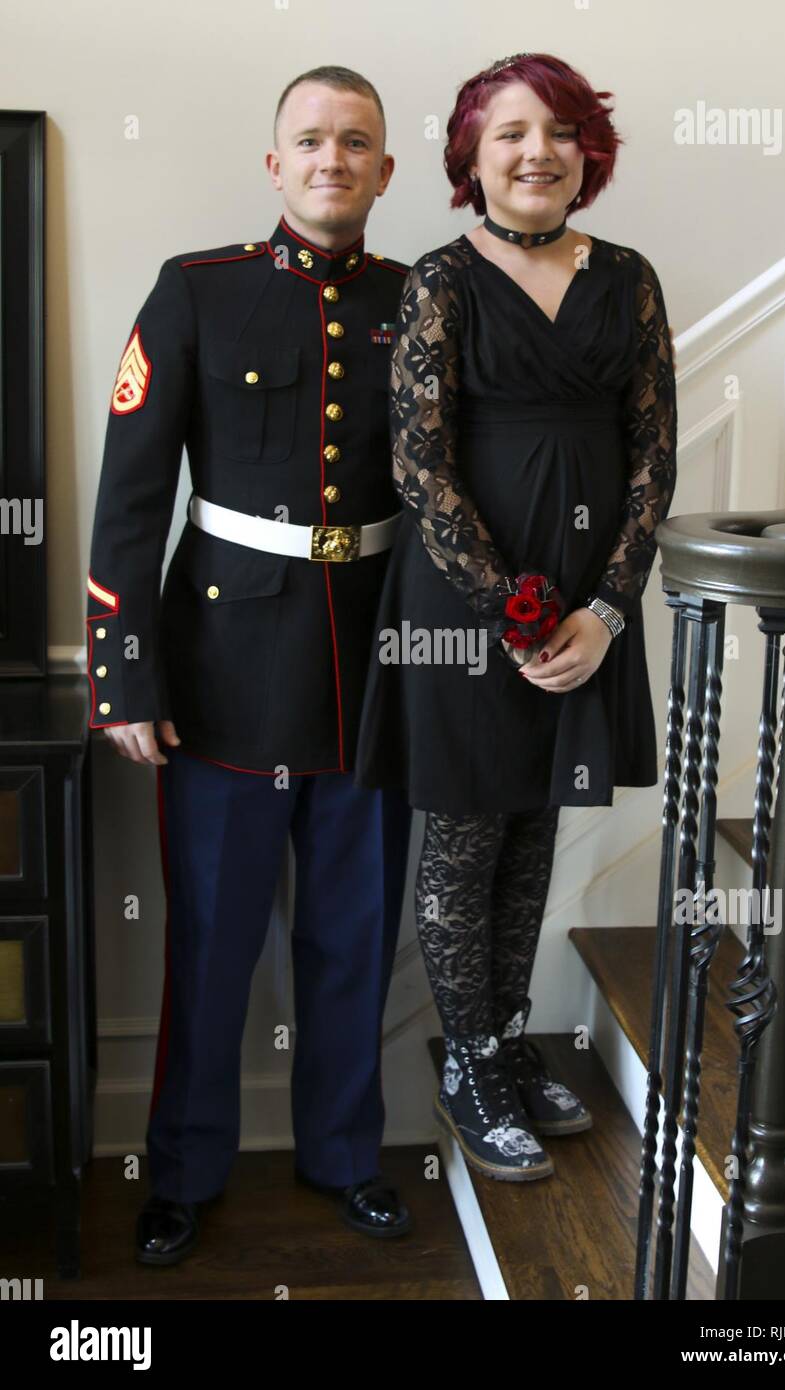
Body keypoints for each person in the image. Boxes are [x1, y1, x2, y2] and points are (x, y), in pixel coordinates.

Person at [85, 66, 415, 1262]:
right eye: (311, 141)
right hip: (220, 671)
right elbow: (130, 498)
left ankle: (344, 1156)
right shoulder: (194, 292)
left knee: (353, 935)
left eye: (357, 143)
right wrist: (122, 676)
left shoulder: (419, 301)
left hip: (372, 676)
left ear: (384, 169)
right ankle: (178, 1169)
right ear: (275, 164)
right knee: (210, 942)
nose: (333, 160)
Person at [354, 53, 678, 1181]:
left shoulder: (628, 278)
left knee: (535, 826)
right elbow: (418, 470)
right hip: (461, 607)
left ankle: (495, 1039)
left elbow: (652, 461)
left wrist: (600, 610)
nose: (535, 151)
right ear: (470, 158)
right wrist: (520, 611)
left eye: (559, 130)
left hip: (584, 609)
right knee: (463, 832)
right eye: (508, 134)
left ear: (586, 150)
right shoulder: (438, 280)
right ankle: (470, 1070)